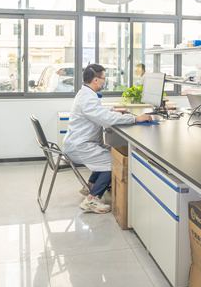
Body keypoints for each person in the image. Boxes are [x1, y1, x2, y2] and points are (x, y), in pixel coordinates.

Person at [64, 63, 152, 213]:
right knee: (114, 163)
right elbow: (106, 120)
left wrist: (112, 110)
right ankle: (91, 200)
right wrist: (134, 119)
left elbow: (97, 112)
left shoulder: (85, 94)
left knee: (110, 153)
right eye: (103, 78)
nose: (104, 81)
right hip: (80, 146)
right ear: (95, 80)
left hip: (80, 143)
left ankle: (91, 186)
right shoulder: (88, 98)